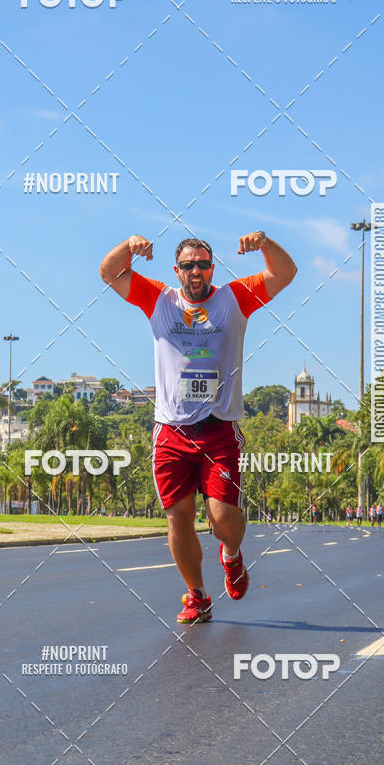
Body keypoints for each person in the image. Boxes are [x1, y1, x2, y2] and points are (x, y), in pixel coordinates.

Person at [99, 231, 297, 622]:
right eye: (188, 265)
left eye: (202, 264)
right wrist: (129, 247)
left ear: (212, 268)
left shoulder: (234, 298)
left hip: (218, 427)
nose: (195, 270)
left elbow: (286, 272)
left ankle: (232, 553)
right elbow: (108, 272)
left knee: (224, 520)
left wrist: (265, 243)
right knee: (179, 517)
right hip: (171, 430)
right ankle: (197, 596)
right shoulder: (159, 299)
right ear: (176, 270)